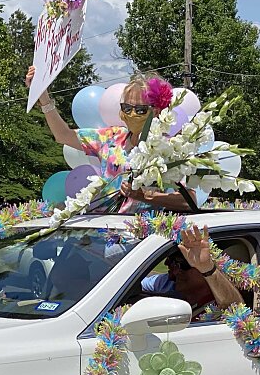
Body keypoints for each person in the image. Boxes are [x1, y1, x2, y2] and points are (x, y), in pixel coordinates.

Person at [26, 67, 199, 213]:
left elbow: (189, 200)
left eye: (140, 110)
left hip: (142, 236)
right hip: (103, 229)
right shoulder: (112, 137)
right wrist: (44, 97)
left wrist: (144, 195)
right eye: (127, 108)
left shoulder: (168, 149)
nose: (132, 114)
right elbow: (63, 135)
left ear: (156, 111)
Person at [141, 226, 243, 312]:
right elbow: (138, 284)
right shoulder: (169, 283)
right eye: (171, 260)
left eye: (180, 264)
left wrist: (207, 269)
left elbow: (236, 311)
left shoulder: (219, 300)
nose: (175, 272)